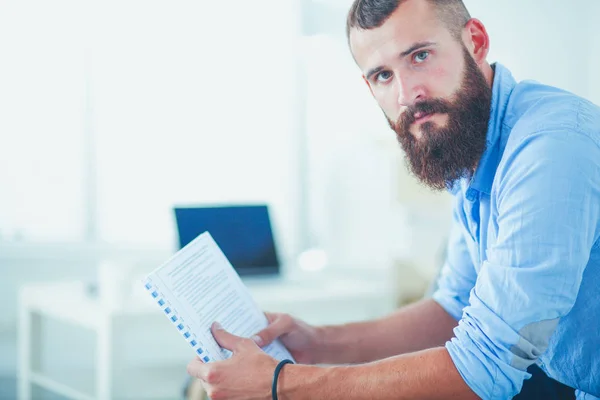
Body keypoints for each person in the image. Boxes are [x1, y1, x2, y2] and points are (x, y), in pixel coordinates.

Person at [185, 0, 600, 398]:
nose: (407, 93)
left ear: (475, 41)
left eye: (419, 56)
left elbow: (484, 368)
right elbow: (453, 309)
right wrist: (318, 342)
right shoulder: (472, 145)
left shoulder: (549, 147)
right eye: (383, 75)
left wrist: (281, 383)